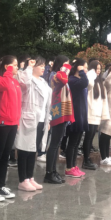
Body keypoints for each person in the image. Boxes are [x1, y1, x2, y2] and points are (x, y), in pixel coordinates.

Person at [0, 56, 22, 202]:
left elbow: (18, 102)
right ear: (7, 67)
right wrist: (8, 72)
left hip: (12, 123)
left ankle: (1, 186)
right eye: (14, 65)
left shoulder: (15, 82)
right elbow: (3, 86)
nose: (17, 67)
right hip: (0, 122)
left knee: (5, 156)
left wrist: (17, 121)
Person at [15, 57, 51, 191]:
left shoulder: (43, 82)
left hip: (41, 120)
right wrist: (29, 67)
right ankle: (22, 179)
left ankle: (30, 177)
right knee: (24, 150)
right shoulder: (27, 78)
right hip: (28, 118)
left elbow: (48, 103)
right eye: (40, 65)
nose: (43, 68)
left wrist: (48, 119)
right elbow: (24, 83)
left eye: (44, 66)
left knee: (33, 150)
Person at [44, 55, 73, 184]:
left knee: (57, 144)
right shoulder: (55, 75)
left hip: (62, 111)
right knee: (54, 144)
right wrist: (65, 69)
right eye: (66, 64)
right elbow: (63, 80)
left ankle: (53, 171)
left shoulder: (60, 74)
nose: (68, 67)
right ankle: (49, 173)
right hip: (57, 111)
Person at [85, 60, 109, 169]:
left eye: (99, 69)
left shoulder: (100, 82)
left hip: (97, 114)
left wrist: (104, 115)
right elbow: (89, 84)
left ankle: (87, 158)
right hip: (90, 113)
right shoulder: (90, 79)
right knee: (88, 137)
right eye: (96, 69)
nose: (98, 71)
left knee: (91, 138)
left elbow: (103, 100)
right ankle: (86, 160)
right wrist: (91, 73)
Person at [66, 59, 89, 177]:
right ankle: (69, 167)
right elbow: (85, 82)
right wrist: (81, 71)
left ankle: (74, 166)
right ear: (78, 68)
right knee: (72, 143)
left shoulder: (78, 80)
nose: (86, 70)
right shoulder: (73, 80)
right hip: (75, 115)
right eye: (84, 67)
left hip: (81, 115)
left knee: (76, 143)